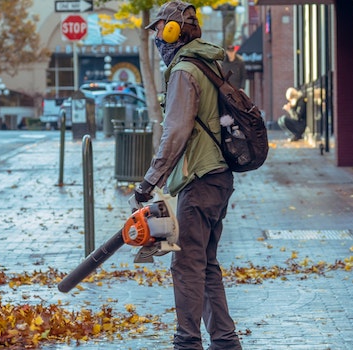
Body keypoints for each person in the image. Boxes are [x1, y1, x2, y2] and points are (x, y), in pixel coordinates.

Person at [135, 1, 243, 349]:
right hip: (219, 177)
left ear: (172, 31)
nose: (157, 41)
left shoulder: (185, 70)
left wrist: (149, 181)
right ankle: (225, 340)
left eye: (159, 33)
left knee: (186, 266)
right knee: (206, 262)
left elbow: (177, 131)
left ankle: (187, 342)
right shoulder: (207, 61)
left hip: (200, 179)